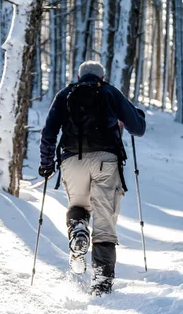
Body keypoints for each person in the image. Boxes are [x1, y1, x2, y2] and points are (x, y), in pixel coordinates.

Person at [39, 60, 146, 295]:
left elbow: (48, 132)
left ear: (79, 77)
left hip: (71, 161)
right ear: (102, 76)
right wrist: (137, 114)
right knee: (105, 222)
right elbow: (137, 128)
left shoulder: (65, 94)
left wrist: (46, 164)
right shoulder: (110, 93)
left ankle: (78, 229)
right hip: (106, 162)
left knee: (78, 206)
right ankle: (101, 282)